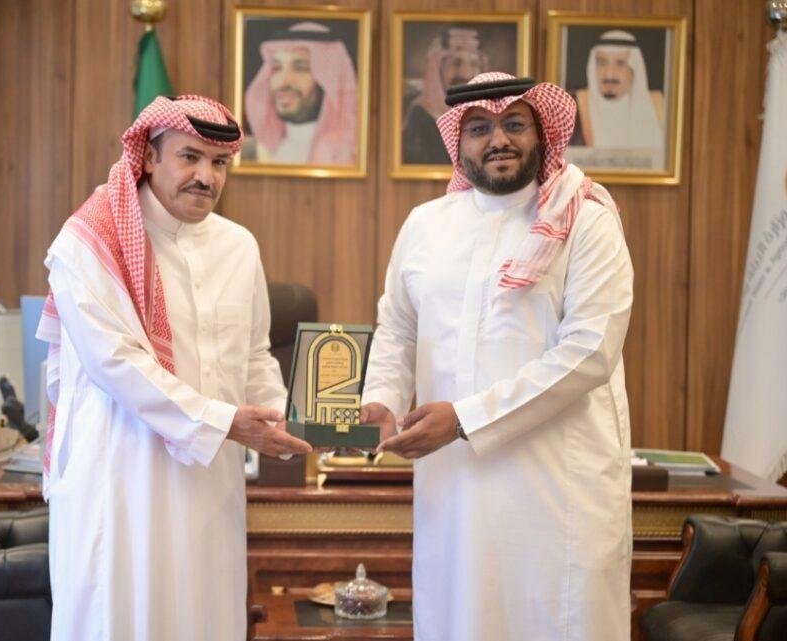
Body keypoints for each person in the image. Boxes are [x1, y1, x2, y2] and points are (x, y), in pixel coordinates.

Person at [361, 72, 634, 640]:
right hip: (453, 487)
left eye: (514, 124)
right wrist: (381, 399)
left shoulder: (586, 219)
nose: (498, 140)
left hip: (556, 490)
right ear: (458, 141)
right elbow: (398, 327)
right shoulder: (426, 225)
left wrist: (465, 419)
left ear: (543, 133)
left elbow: (589, 352)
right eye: (480, 128)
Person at [37, 94, 312, 641]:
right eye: (190, 157)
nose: (206, 177)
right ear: (148, 156)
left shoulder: (239, 247)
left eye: (219, 162)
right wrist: (225, 422)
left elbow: (254, 355)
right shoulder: (90, 242)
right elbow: (115, 363)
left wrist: (289, 420)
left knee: (202, 620)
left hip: (210, 487)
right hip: (120, 482)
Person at [243, 21, 358, 165]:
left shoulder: (352, 156)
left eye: (300, 68)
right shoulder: (252, 153)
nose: (283, 82)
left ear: (329, 81)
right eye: (277, 68)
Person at [401, 28, 487, 165]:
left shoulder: (490, 119)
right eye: (455, 63)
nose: (466, 74)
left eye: (474, 64)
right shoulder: (420, 117)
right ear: (437, 68)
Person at [572, 29, 664, 151]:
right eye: (602, 63)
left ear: (635, 69)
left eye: (620, 63)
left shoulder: (660, 106)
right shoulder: (573, 106)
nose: (609, 74)